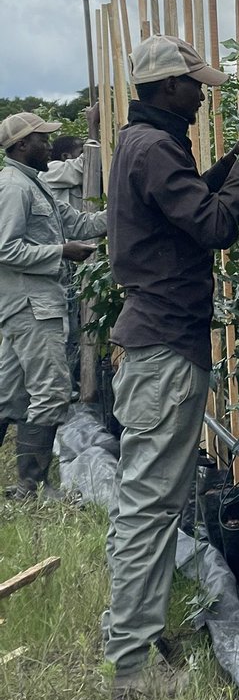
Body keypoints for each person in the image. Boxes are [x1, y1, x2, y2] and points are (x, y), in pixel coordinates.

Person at [104, 34, 239, 700]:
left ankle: (130, 634)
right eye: (195, 85)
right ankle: (132, 665)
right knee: (149, 506)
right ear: (168, 87)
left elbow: (191, 204)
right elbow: (216, 225)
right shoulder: (157, 147)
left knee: (148, 501)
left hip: (157, 343)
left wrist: (234, 158)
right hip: (164, 348)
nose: (202, 94)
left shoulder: (145, 145)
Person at [0, 112, 107, 497]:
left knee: (8, 393)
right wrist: (61, 251)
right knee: (52, 390)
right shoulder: (14, 188)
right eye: (42, 139)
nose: (50, 145)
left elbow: (79, 222)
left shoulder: (35, 184)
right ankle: (31, 484)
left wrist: (130, 211)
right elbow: (5, 248)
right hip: (32, 305)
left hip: (28, 304)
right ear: (22, 145)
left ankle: (27, 482)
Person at [43, 104, 102, 395]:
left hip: (73, 258)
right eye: (80, 150)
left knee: (75, 326)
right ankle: (62, 390)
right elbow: (85, 166)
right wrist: (93, 126)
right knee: (64, 329)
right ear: (65, 157)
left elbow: (82, 220)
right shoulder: (52, 172)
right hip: (59, 263)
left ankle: (68, 386)